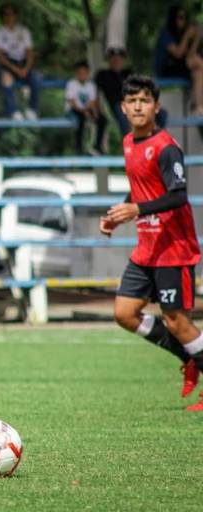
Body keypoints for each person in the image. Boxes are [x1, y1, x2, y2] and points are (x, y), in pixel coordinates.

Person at [100, 75, 203, 411]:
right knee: (124, 313)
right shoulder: (129, 142)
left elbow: (177, 196)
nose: (138, 106)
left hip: (174, 249)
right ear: (123, 108)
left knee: (177, 321)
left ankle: (196, 360)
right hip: (147, 248)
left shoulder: (166, 147)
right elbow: (141, 187)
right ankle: (189, 357)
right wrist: (119, 212)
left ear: (156, 107)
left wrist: (136, 208)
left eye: (144, 100)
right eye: (132, 101)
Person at [96, 47, 168, 138]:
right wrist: (97, 108)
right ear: (109, 60)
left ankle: (154, 140)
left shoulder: (128, 73)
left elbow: (142, 88)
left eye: (119, 58)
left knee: (162, 113)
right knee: (123, 116)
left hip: (136, 102)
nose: (117, 61)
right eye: (113, 58)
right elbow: (95, 92)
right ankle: (130, 147)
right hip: (119, 104)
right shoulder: (103, 74)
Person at [0, 3, 40, 120]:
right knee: (6, 79)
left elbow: (29, 52)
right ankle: (13, 111)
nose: (9, 17)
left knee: (37, 78)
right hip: (6, 65)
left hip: (23, 64)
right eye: (5, 14)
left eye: (11, 14)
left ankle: (32, 110)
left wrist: (26, 69)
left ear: (16, 15)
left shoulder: (24, 31)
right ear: (2, 16)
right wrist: (15, 69)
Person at [154, 5, 203, 117]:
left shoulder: (181, 33)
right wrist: (187, 35)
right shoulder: (165, 33)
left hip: (181, 66)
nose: (183, 21)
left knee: (198, 71)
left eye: (185, 18)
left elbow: (190, 54)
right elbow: (178, 53)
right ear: (173, 18)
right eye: (180, 17)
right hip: (165, 68)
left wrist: (196, 38)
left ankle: (198, 106)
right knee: (197, 63)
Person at [65, 61, 106, 155]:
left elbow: (92, 101)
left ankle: (97, 145)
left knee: (102, 120)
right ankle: (78, 148)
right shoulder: (72, 84)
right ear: (76, 73)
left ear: (88, 73)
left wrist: (95, 113)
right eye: (80, 73)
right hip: (73, 110)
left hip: (86, 109)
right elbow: (72, 102)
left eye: (85, 73)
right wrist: (84, 111)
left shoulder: (91, 85)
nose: (82, 75)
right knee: (80, 120)